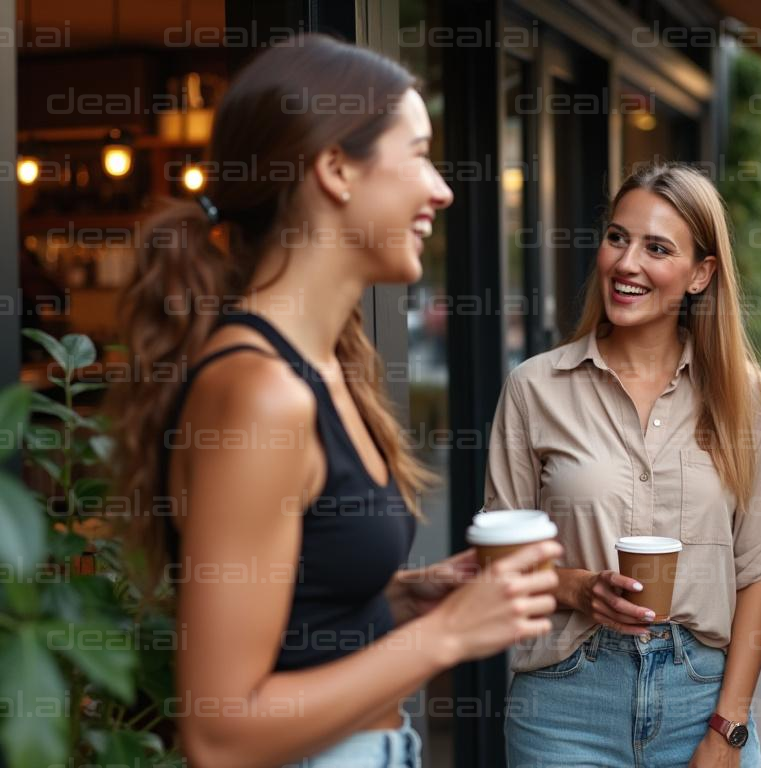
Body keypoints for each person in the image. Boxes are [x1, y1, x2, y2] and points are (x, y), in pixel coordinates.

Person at [108, 35, 561, 768]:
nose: (442, 189)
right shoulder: (260, 394)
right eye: (417, 153)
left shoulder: (325, 366)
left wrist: (413, 595)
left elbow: (300, 620)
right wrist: (447, 636)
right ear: (336, 168)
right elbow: (219, 734)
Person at [490, 164, 761, 767]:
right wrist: (580, 588)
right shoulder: (534, 388)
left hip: (702, 696)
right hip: (566, 704)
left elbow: (757, 570)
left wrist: (728, 727)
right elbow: (501, 560)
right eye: (617, 238)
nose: (626, 263)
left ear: (700, 274)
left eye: (657, 248)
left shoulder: (747, 398)